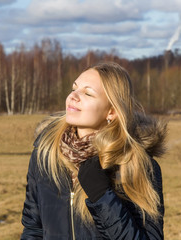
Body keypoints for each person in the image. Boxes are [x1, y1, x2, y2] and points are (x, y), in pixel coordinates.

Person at [21, 62, 167, 239]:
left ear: (111, 112)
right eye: (74, 88)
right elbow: (33, 228)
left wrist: (102, 196)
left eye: (88, 93)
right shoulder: (45, 153)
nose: (73, 96)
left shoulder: (137, 165)